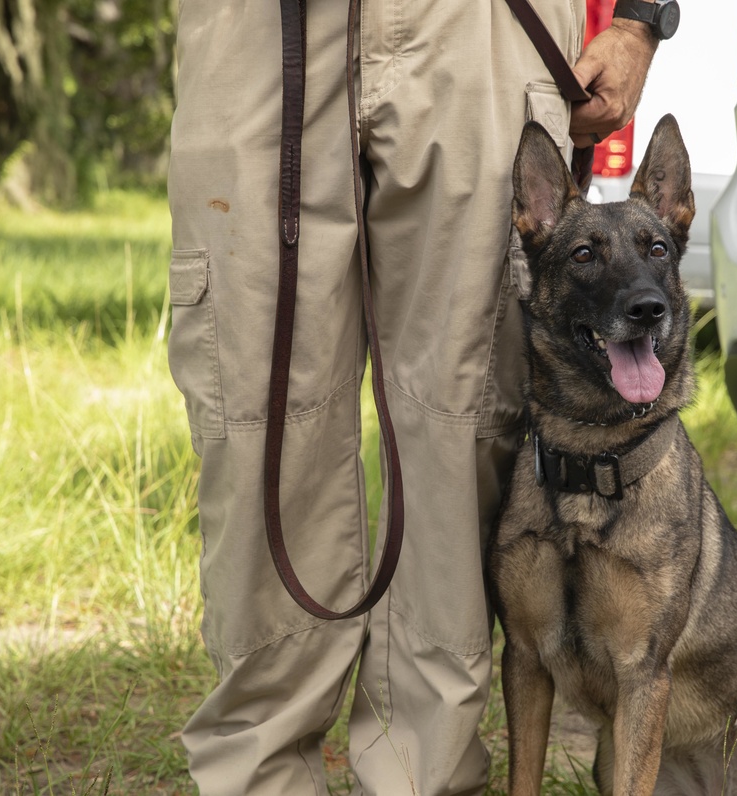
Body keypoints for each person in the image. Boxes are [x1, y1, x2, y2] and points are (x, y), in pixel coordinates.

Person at [167, 1, 660, 793]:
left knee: (467, 418)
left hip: (488, 24)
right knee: (253, 405)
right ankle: (255, 777)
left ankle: (420, 778)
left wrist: (639, 19)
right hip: (253, 27)